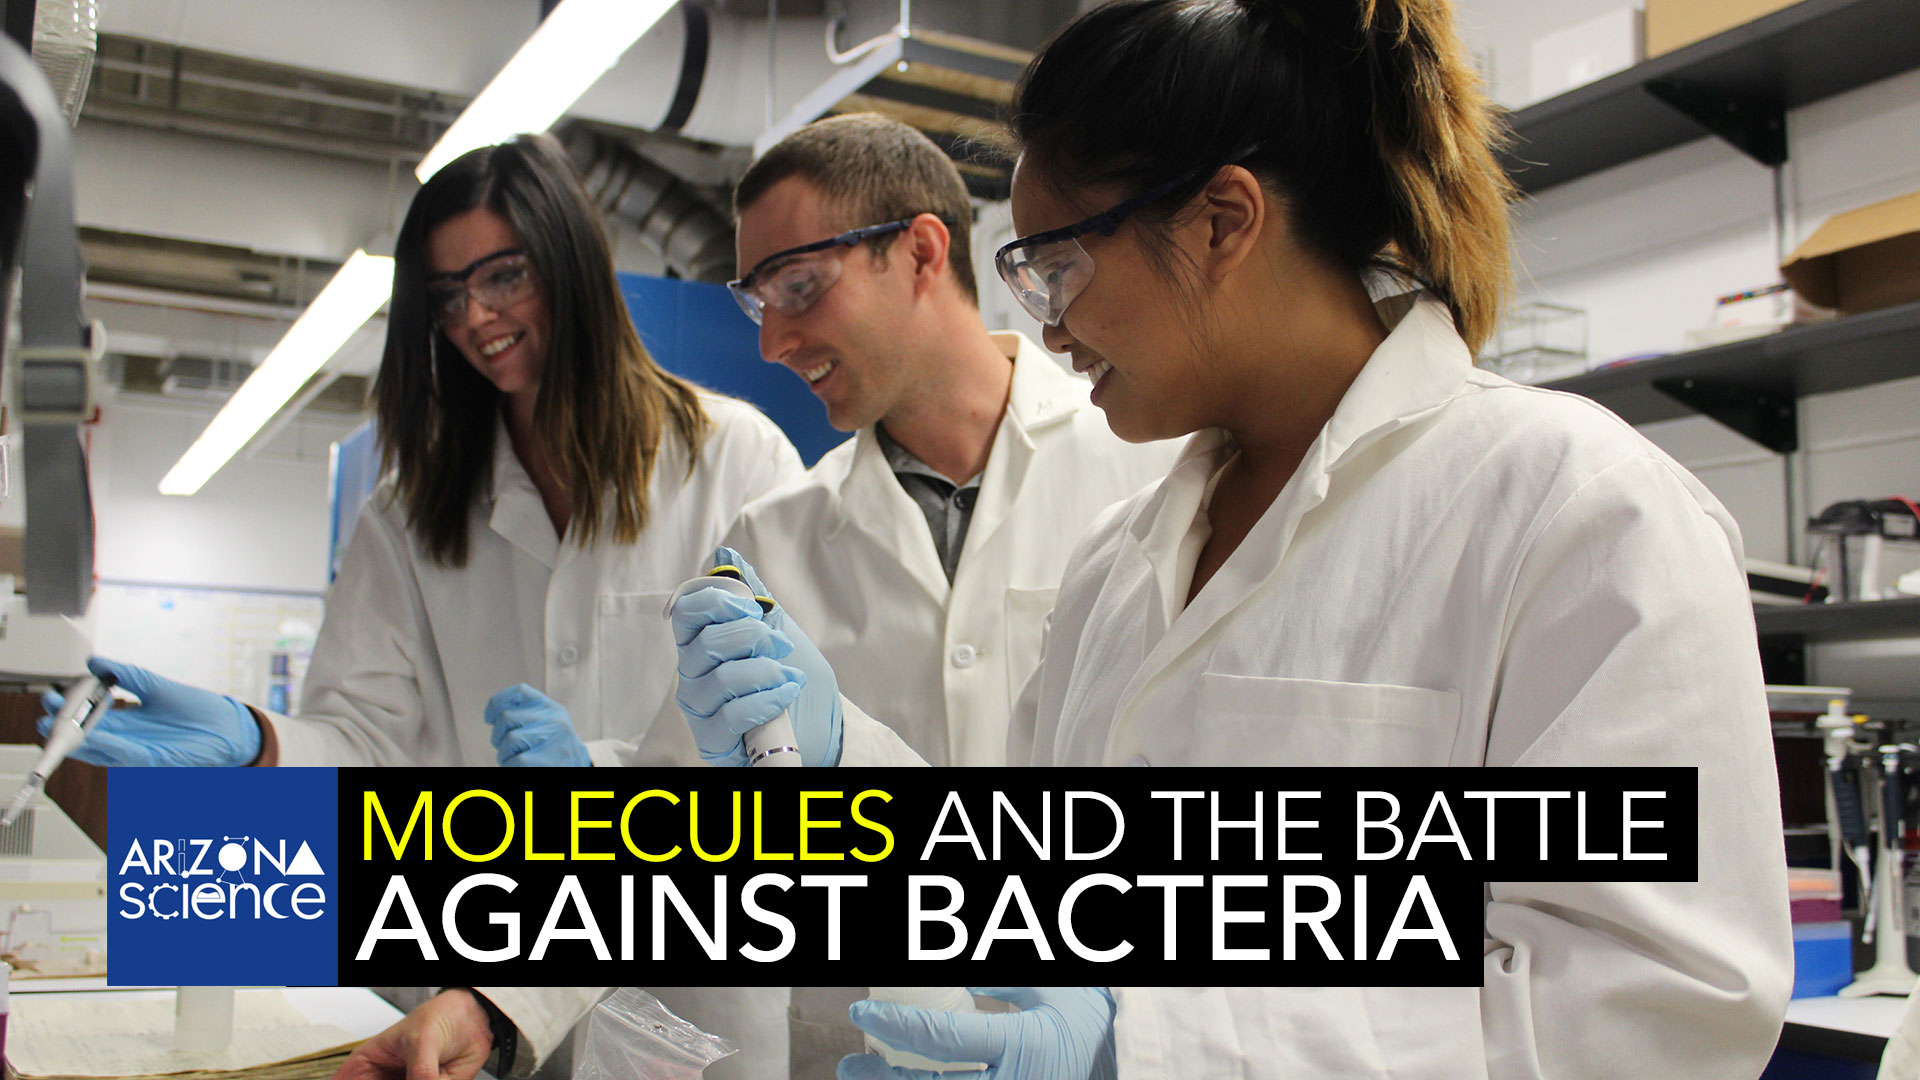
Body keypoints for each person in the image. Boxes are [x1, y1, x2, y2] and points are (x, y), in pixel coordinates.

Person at [669, 0, 1795, 1077]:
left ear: (1223, 221)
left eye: (1057, 268)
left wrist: (1151, 1054)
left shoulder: (1578, 513)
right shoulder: (1122, 562)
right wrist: (843, 771)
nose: (1047, 326)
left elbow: (1660, 1009)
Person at [469, 113, 1180, 1076]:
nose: (771, 342)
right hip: (865, 1049)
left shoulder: (1147, 472)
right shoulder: (771, 536)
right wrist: (489, 1009)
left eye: (798, 286)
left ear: (924, 250)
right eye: (755, 301)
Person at [41, 132, 803, 767]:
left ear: (569, 266)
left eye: (503, 276)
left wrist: (608, 773)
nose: (474, 315)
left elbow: (791, 721)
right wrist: (256, 741)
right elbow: (366, 739)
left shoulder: (733, 461)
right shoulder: (412, 512)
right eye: (446, 295)